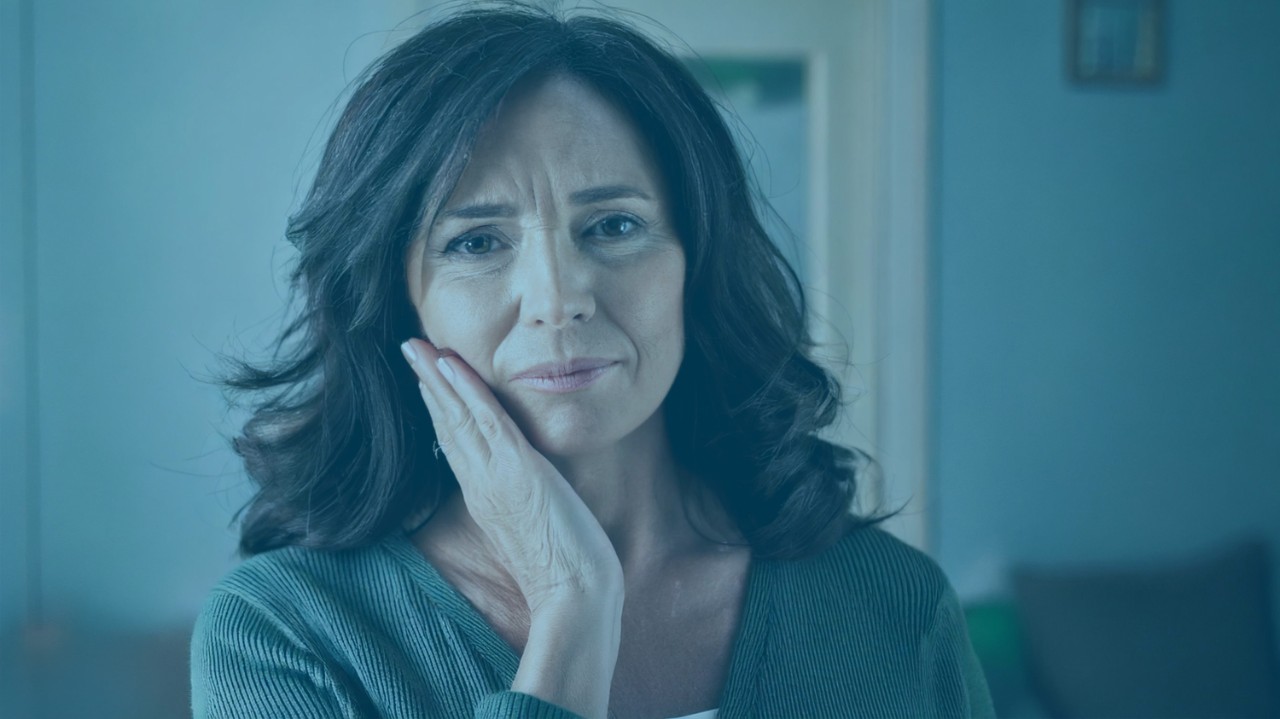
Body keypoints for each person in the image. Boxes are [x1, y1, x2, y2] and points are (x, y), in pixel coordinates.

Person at [191, 4, 995, 718]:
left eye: (613, 226)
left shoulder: (892, 604)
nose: (559, 297)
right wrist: (572, 609)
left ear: (694, 265)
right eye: (476, 241)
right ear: (402, 303)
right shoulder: (284, 634)